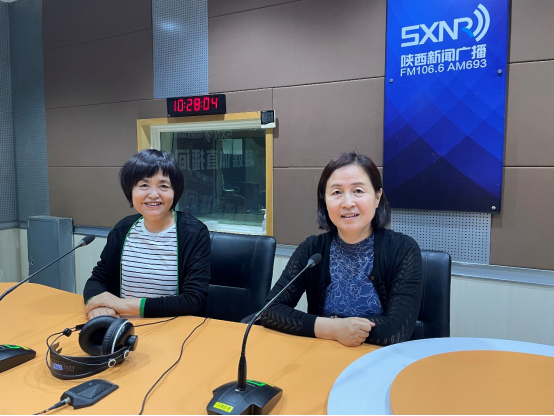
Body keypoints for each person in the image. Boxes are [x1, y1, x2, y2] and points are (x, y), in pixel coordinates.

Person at [261, 152, 422, 347]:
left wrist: (335, 327)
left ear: (377, 197)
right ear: (325, 200)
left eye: (358, 191)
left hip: (383, 360)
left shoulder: (403, 249)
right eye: (336, 192)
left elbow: (396, 331)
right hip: (326, 356)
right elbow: (270, 310)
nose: (347, 203)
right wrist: (334, 329)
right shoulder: (312, 249)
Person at [83, 149, 211, 319]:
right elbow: (97, 279)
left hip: (173, 327)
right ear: (131, 190)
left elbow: (193, 300)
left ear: (175, 191)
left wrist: (122, 304)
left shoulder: (194, 233)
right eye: (144, 185)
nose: (153, 195)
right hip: (123, 325)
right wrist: (96, 305)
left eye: (163, 186)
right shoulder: (123, 229)